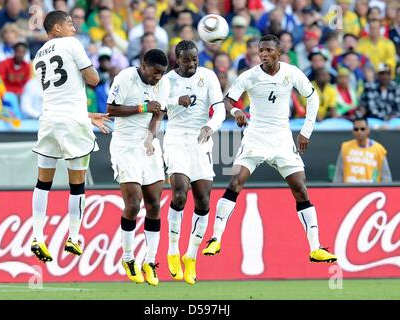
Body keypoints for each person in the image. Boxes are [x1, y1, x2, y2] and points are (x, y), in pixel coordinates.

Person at [202, 34, 337, 264]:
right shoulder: (250, 76)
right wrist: (237, 112)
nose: (263, 54)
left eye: (268, 50)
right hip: (255, 137)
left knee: (301, 189)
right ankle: (215, 238)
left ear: (279, 52)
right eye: (260, 50)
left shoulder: (291, 72)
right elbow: (229, 100)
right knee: (235, 182)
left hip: (283, 140)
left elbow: (312, 98)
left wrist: (306, 130)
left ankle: (315, 248)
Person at [30, 11, 111, 263]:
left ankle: (37, 237)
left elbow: (60, 95)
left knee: (43, 182)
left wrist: (87, 114)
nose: (74, 28)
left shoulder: (37, 56)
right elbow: (94, 80)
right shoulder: (72, 44)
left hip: (49, 121)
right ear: (55, 28)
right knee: (77, 184)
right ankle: (74, 238)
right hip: (73, 123)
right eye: (68, 23)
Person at [163, 40, 226, 285]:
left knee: (202, 199)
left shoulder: (208, 76)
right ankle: (172, 250)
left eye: (194, 59)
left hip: (201, 138)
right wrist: (176, 101)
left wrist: (210, 127)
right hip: (176, 136)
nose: (191, 64)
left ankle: (191, 256)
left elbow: (219, 109)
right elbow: (156, 107)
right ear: (176, 59)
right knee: (179, 194)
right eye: (186, 60)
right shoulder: (167, 80)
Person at [106, 48, 169, 286]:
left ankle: (150, 261)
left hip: (148, 145)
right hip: (124, 145)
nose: (158, 77)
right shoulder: (124, 78)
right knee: (133, 204)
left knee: (154, 204)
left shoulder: (162, 84)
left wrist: (151, 138)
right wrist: (143, 107)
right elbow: (111, 109)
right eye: (155, 72)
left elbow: (158, 113)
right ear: (144, 65)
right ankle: (129, 257)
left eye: (162, 73)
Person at [333, 117, 392, 183]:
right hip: (349, 190)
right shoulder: (345, 147)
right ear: (353, 131)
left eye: (362, 129)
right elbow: (338, 175)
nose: (359, 132)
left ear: (368, 130)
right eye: (356, 129)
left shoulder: (379, 149)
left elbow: (386, 177)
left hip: (371, 191)